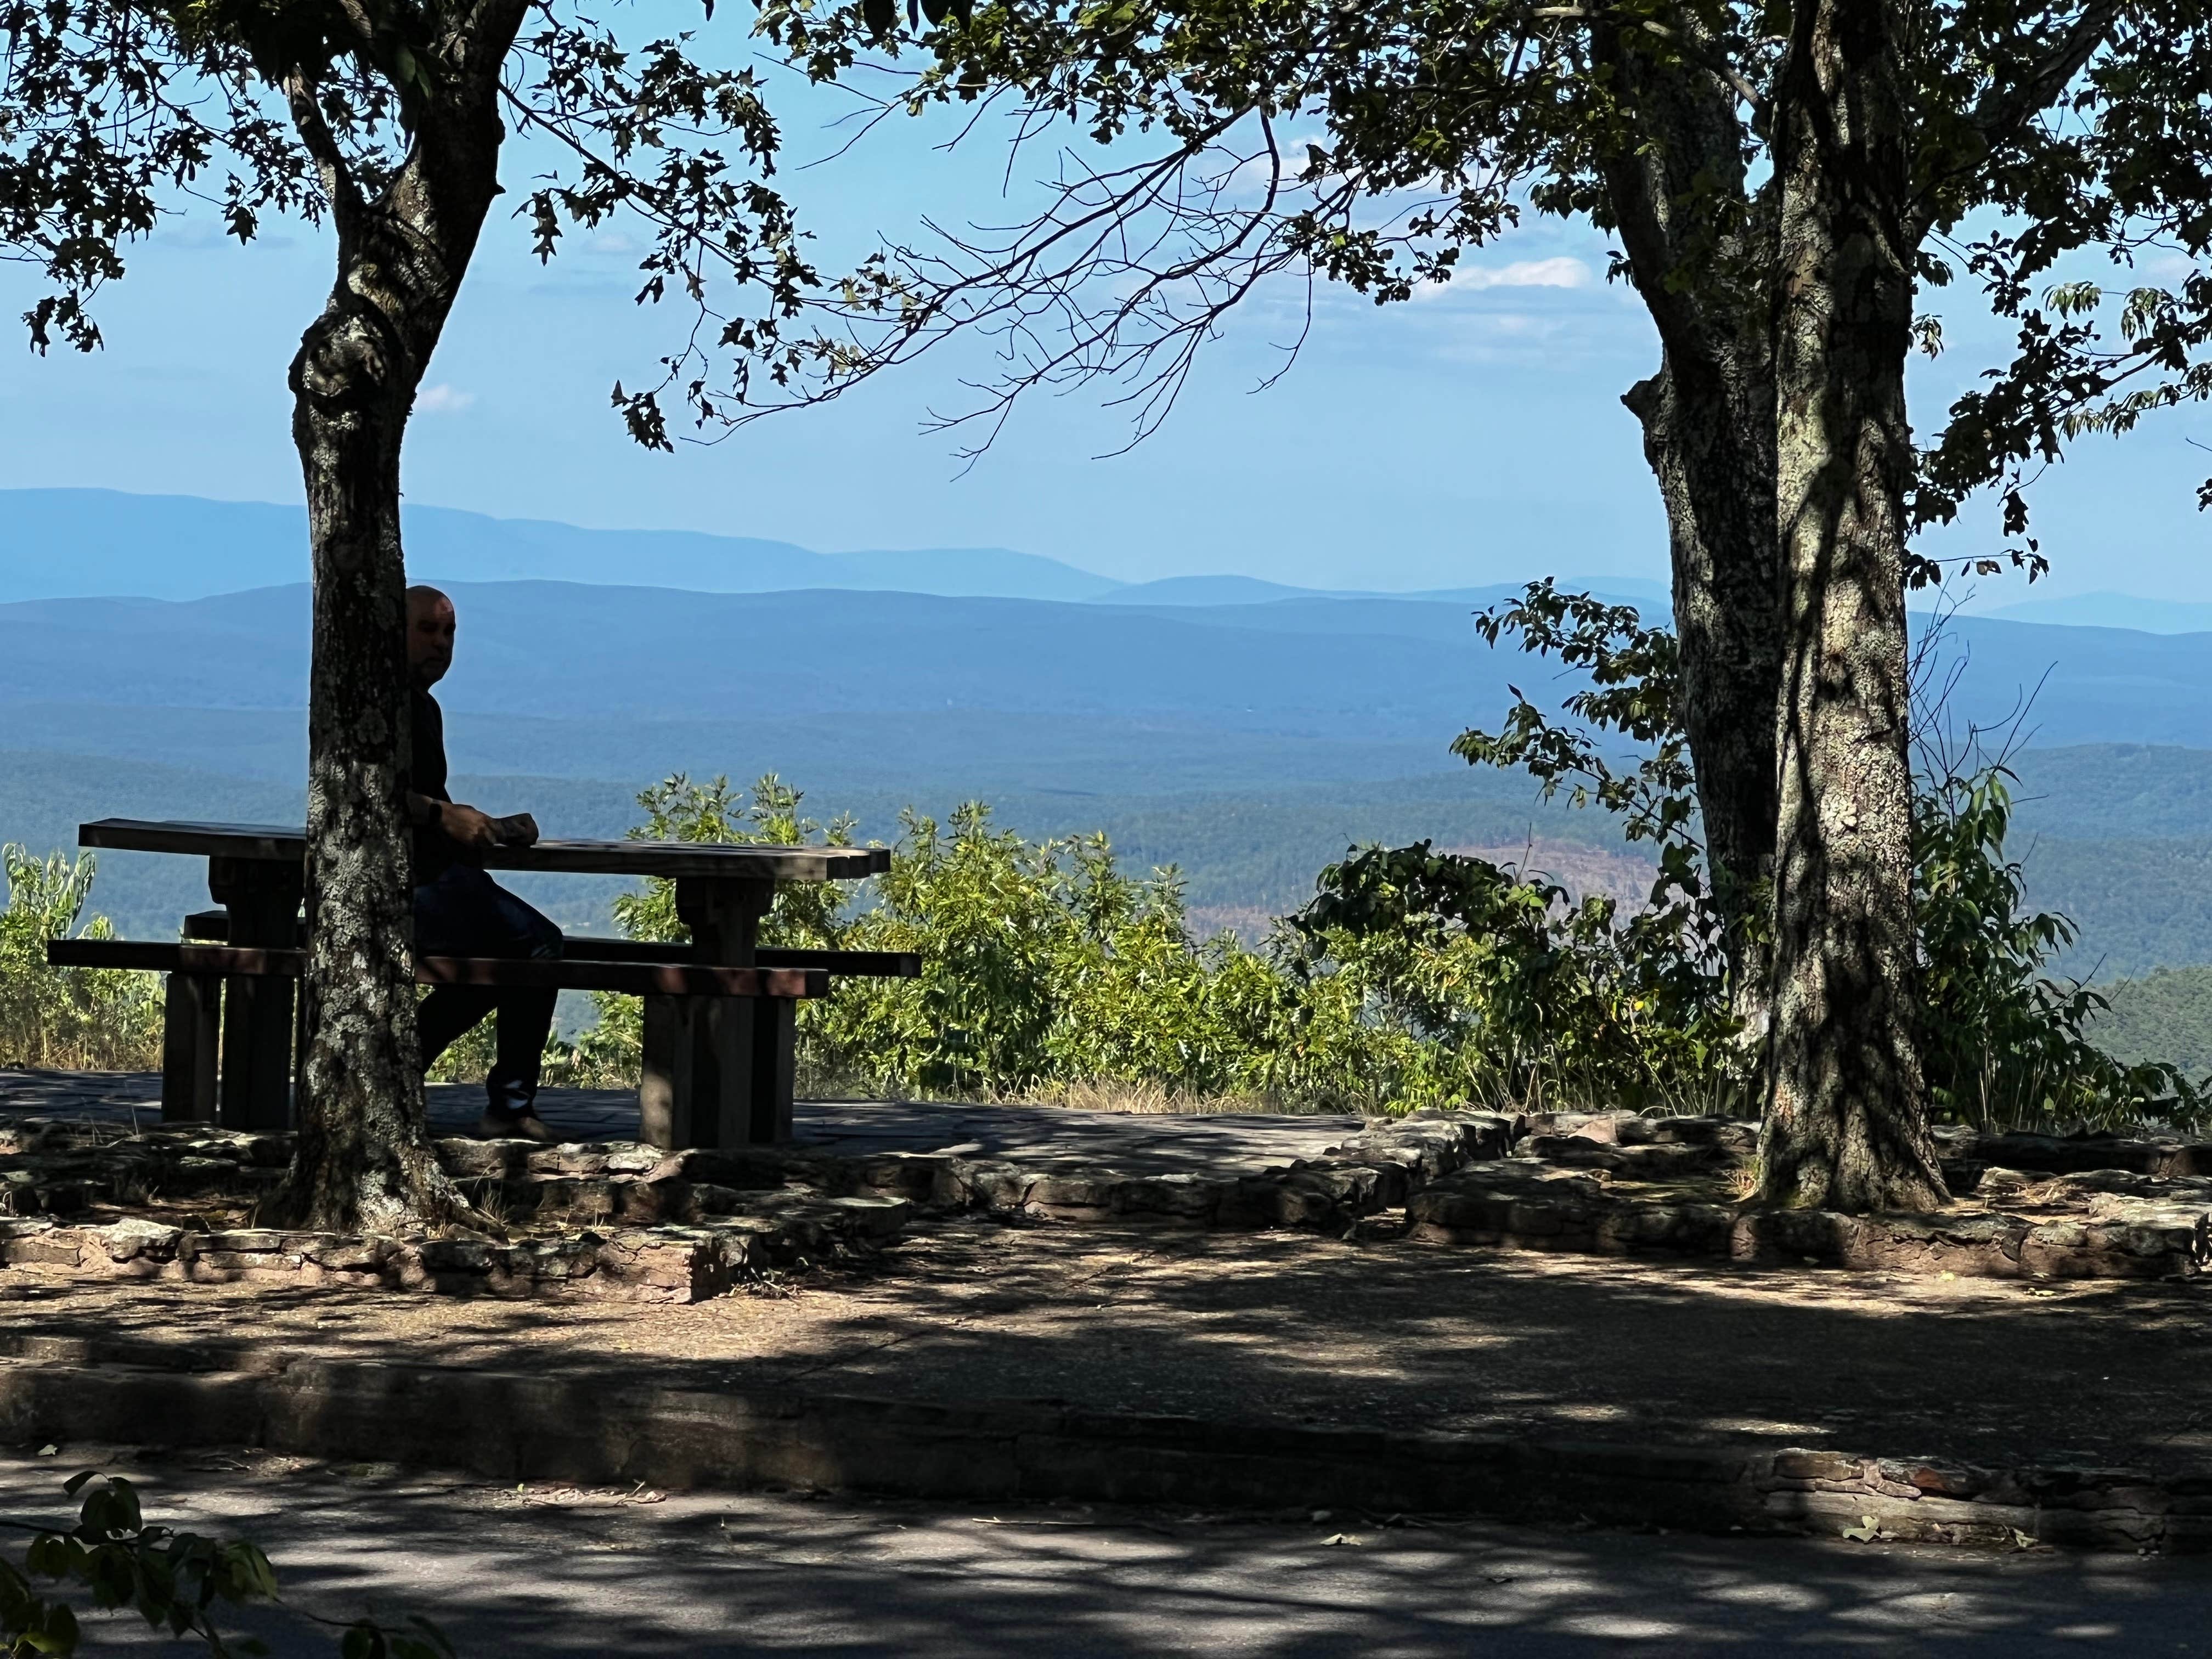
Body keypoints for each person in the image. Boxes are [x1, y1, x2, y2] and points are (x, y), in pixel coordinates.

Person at [403, 584, 564, 1143]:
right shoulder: (380, 705)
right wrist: (441, 815)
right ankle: (510, 1108)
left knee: (499, 960)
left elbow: (425, 803)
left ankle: (396, 1067)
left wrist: (493, 828)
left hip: (438, 877)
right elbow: (362, 790)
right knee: (536, 947)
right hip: (411, 886)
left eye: (449, 633)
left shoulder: (422, 706)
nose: (441, 644)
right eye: (428, 630)